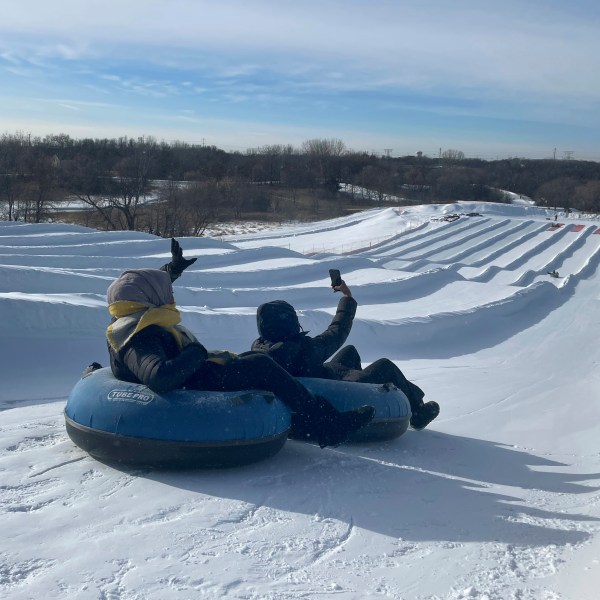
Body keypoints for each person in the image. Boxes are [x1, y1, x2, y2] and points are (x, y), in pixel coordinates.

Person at [105, 239, 374, 449]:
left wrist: (170, 271)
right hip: (196, 381)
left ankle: (306, 421)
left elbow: (139, 289)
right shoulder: (138, 335)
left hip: (195, 374)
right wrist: (196, 352)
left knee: (252, 359)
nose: (169, 296)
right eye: (165, 291)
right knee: (261, 364)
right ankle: (327, 425)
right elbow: (159, 377)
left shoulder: (134, 319)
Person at [251, 278, 439, 431]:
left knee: (350, 352)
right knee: (385, 365)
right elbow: (337, 331)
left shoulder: (260, 348)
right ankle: (418, 412)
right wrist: (347, 297)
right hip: (335, 386)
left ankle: (365, 393)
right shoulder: (303, 349)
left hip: (321, 376)